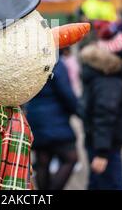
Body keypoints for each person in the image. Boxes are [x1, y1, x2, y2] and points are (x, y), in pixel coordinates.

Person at [79, 24, 122, 190]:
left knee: (97, 183)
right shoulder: (110, 77)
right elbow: (105, 114)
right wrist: (102, 152)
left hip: (100, 142)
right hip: (105, 146)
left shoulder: (102, 71)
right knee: (112, 185)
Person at [25, 58, 80, 190]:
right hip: (55, 120)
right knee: (71, 158)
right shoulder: (54, 63)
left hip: (35, 117)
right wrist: (78, 110)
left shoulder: (30, 61)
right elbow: (66, 94)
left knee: (43, 160)